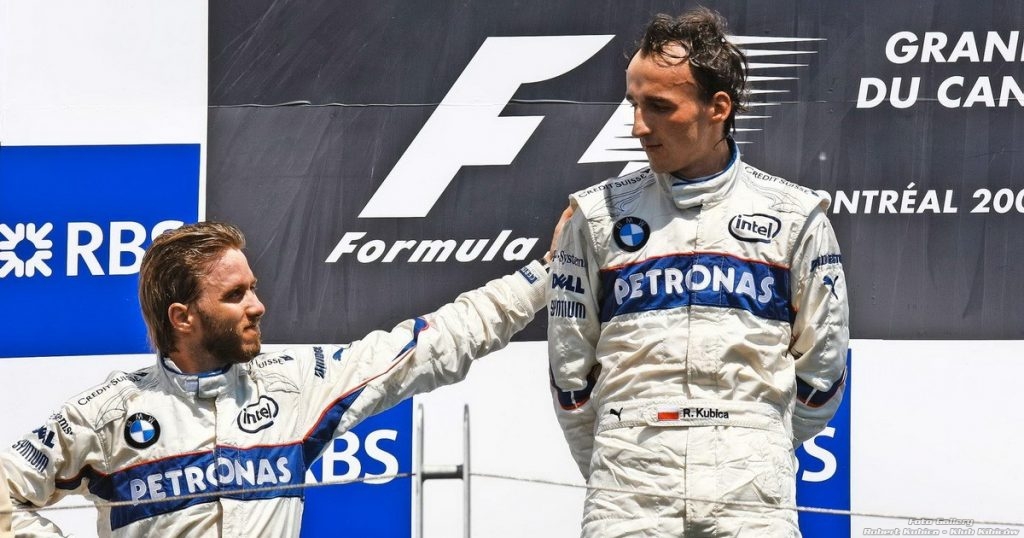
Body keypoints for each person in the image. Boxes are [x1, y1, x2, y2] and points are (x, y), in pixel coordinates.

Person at [1, 218, 563, 537]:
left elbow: (436, 343)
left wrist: (547, 274)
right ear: (183, 317)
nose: (259, 305)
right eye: (235, 294)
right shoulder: (108, 412)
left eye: (253, 287)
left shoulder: (295, 384)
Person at [547, 8, 849, 537]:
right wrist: (622, 450)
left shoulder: (795, 216)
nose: (640, 126)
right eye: (635, 105)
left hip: (750, 480)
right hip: (627, 477)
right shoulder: (595, 216)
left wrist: (756, 437)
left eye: (659, 107)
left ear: (718, 108)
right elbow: (570, 373)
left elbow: (823, 370)